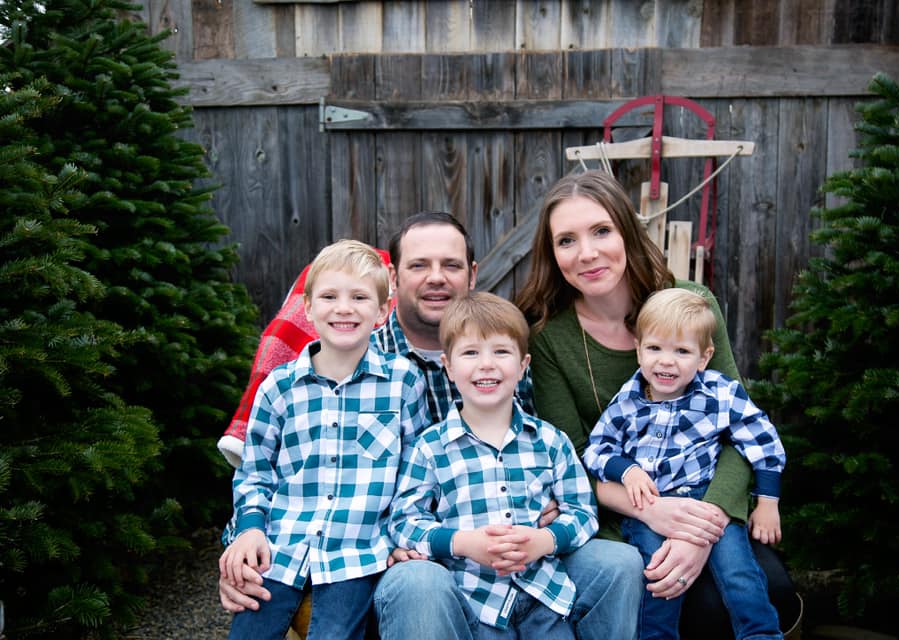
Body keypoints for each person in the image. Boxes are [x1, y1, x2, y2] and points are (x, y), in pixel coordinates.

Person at [220, 212, 644, 640]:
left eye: (452, 265)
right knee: (418, 583)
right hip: (410, 556)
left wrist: (545, 520)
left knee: (618, 564)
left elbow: (561, 471)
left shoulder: (509, 353)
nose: (436, 278)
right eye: (419, 266)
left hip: (521, 551)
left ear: (472, 274)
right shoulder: (359, 345)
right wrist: (240, 544)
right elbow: (272, 472)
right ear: (393, 279)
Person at [514, 170, 799, 637]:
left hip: (707, 501)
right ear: (553, 255)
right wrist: (649, 510)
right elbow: (571, 460)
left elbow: (737, 429)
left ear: (626, 231)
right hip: (622, 514)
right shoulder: (549, 338)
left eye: (601, 231)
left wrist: (705, 524)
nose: (587, 253)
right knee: (679, 601)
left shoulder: (689, 305)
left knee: (767, 591)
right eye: (567, 240)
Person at [219, 239, 428, 640]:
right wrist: (248, 529)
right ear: (309, 309)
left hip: (357, 555)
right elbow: (255, 472)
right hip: (279, 550)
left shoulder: (403, 383)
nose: (344, 308)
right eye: (329, 296)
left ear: (383, 310)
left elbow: (414, 475)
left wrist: (402, 536)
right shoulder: (279, 388)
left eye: (360, 297)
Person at [389, 292, 599, 639]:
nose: (486, 364)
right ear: (449, 367)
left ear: (523, 365)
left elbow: (583, 511)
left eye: (501, 351)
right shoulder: (430, 448)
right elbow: (404, 521)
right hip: (473, 601)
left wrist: (545, 539)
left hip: (544, 598)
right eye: (471, 352)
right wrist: (461, 542)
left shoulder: (551, 442)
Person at [583, 287, 785, 639]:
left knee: (739, 573)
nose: (666, 361)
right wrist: (626, 470)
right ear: (638, 349)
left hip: (705, 499)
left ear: (704, 357)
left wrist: (768, 502)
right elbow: (597, 450)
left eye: (682, 351)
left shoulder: (720, 394)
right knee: (658, 574)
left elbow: (762, 440)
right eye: (655, 348)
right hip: (650, 502)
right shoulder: (627, 403)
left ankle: (762, 635)